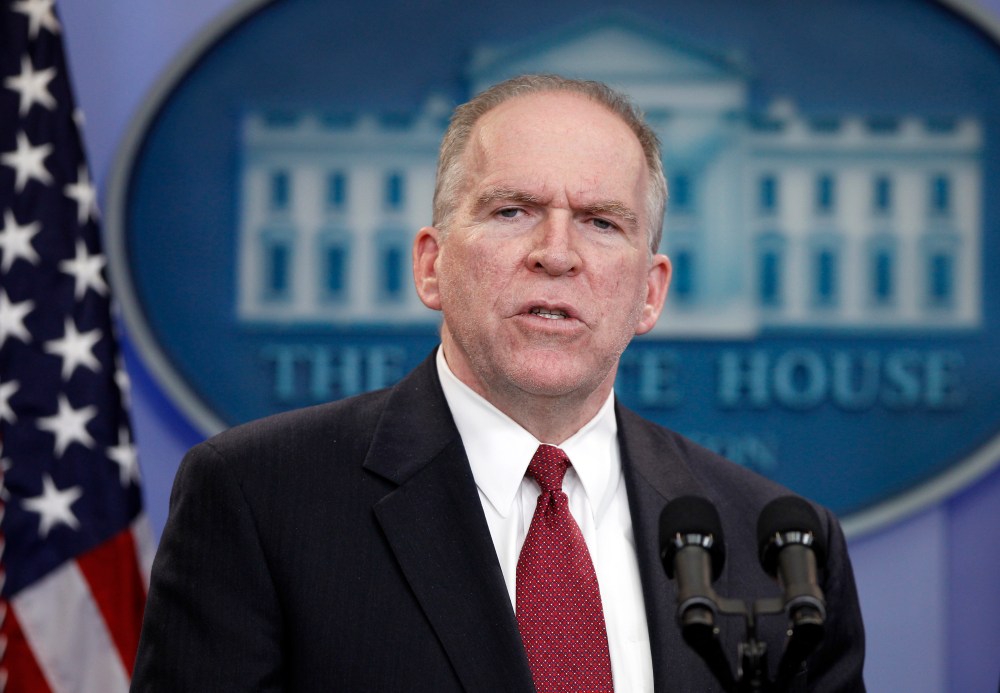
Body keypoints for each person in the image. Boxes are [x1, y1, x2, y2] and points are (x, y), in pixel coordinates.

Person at [132, 74, 865, 692]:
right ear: (430, 265)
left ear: (650, 292)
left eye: (601, 222)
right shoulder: (260, 500)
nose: (556, 253)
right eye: (513, 211)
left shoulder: (777, 549)